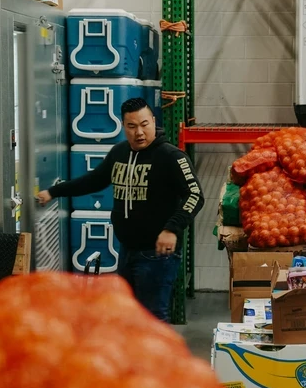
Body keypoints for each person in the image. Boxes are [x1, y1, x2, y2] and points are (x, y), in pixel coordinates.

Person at [37, 97, 205, 321]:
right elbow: (92, 181)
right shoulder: (119, 153)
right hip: (126, 251)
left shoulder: (172, 157)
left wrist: (172, 229)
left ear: (154, 121)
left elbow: (195, 195)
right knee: (129, 317)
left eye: (145, 124)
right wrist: (54, 192)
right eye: (132, 126)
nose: (139, 132)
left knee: (152, 320)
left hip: (156, 255)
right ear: (123, 125)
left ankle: (154, 358)